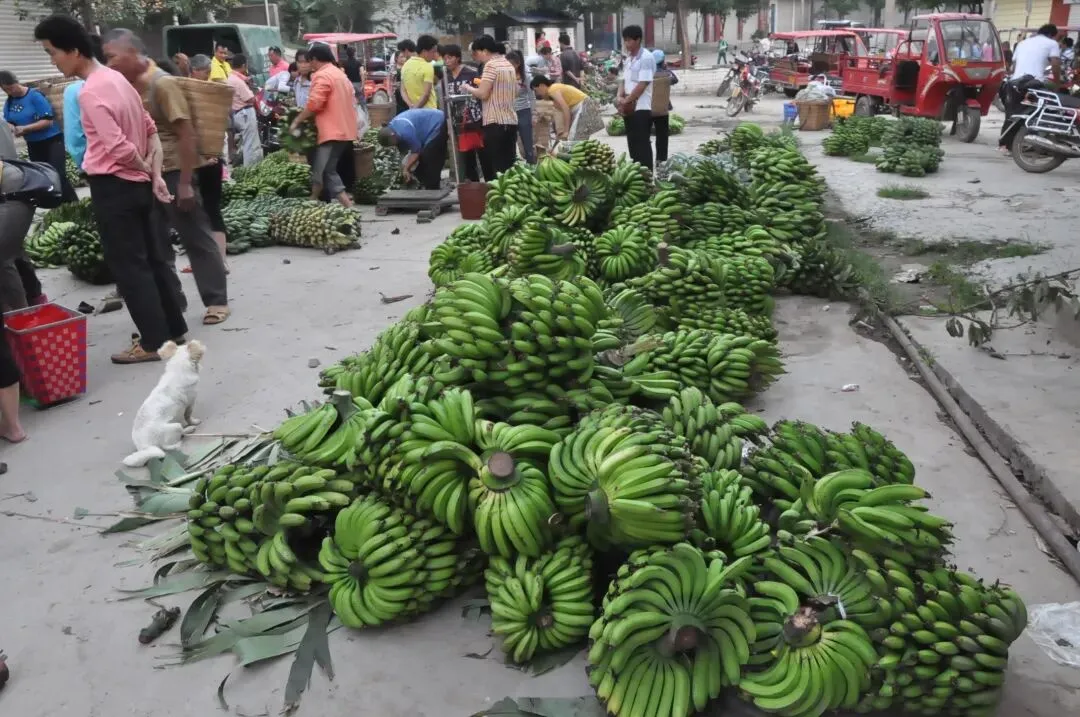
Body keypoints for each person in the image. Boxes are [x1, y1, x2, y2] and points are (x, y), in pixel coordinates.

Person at [35, 14, 187, 364]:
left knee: (130, 268)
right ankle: (173, 330)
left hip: (115, 189)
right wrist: (154, 174)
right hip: (138, 188)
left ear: (73, 51)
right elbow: (150, 129)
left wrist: (145, 169)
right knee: (151, 260)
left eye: (52, 52)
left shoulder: (91, 91)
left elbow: (119, 147)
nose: (52, 61)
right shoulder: (117, 78)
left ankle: (153, 342)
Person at [103, 29, 230, 327]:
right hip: (142, 172)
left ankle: (216, 300)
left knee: (195, 236)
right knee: (155, 242)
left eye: (111, 57)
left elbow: (186, 134)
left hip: (173, 170)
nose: (108, 64)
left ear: (132, 53)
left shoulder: (162, 84)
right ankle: (173, 301)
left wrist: (185, 183)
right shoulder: (124, 85)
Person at [290, 43, 357, 207]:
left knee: (326, 169)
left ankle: (348, 207)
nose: (309, 64)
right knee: (321, 168)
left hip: (331, 131)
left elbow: (315, 104)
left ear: (315, 59)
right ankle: (313, 199)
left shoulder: (322, 76)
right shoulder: (339, 74)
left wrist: (297, 120)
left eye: (309, 60)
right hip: (345, 129)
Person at [0, 70, 78, 203]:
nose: (9, 92)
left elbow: (48, 121)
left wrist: (25, 128)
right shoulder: (10, 102)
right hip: (33, 143)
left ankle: (72, 203)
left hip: (52, 140)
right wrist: (12, 127)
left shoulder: (35, 96)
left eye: (10, 88)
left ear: (16, 82)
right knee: (44, 176)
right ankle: (57, 205)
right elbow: (9, 121)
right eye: (5, 90)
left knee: (58, 174)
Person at [1000, 24, 1062, 152]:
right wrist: (1057, 83)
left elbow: (1013, 67)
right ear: (1052, 35)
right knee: (1037, 113)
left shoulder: (1022, 43)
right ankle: (1033, 143)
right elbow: (1055, 64)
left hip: (1015, 82)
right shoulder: (1052, 43)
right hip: (1034, 84)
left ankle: (1004, 145)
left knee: (1013, 114)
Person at [466, 35, 519, 177]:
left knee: (496, 167)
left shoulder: (490, 65)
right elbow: (515, 91)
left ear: (484, 51)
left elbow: (483, 94)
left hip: (495, 122)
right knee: (509, 165)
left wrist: (468, 88)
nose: (477, 57)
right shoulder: (508, 64)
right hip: (511, 121)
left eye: (476, 53)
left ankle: (498, 191)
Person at [442, 44, 489, 182]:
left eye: (450, 58)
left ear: (457, 58)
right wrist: (448, 122)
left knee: (483, 152)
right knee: (467, 155)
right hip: (459, 122)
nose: (447, 61)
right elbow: (445, 101)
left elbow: (482, 93)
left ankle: (489, 181)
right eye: (445, 58)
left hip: (476, 118)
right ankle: (473, 184)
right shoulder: (446, 78)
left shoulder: (471, 73)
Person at [63, 33, 105, 173]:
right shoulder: (120, 81)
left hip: (98, 167)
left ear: (76, 53)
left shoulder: (75, 90)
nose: (53, 61)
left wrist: (82, 165)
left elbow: (74, 136)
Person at [617, 25, 656, 170]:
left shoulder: (646, 57)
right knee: (632, 143)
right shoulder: (628, 59)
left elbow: (643, 84)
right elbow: (623, 80)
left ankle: (647, 174)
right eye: (625, 40)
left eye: (629, 40)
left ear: (638, 40)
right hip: (629, 107)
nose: (626, 44)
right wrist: (619, 96)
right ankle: (636, 174)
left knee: (642, 144)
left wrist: (627, 100)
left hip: (641, 107)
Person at [379, 108, 448, 189]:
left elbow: (416, 152)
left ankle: (432, 188)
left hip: (437, 122)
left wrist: (406, 169)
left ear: (392, 136)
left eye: (391, 144)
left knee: (430, 157)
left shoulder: (404, 130)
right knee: (422, 159)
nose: (393, 146)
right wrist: (405, 167)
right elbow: (405, 151)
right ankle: (422, 182)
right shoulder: (393, 128)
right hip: (426, 127)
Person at [227, 53, 262, 167]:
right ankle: (249, 169)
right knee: (250, 144)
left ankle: (248, 167)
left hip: (237, 113)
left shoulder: (230, 78)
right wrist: (255, 94)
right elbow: (250, 98)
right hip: (245, 113)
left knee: (247, 142)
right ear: (243, 65)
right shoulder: (238, 81)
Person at [531, 75, 586, 141]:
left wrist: (566, 131)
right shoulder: (552, 94)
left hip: (584, 105)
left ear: (541, 85)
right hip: (580, 106)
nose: (537, 94)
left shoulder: (552, 90)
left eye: (536, 91)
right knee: (575, 138)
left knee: (573, 137)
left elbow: (566, 109)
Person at [506, 50, 535, 163]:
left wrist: (533, 114)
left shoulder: (526, 77)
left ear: (517, 64)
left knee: (527, 142)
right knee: (510, 142)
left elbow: (532, 97)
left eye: (510, 65)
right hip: (509, 112)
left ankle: (531, 163)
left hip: (524, 111)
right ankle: (513, 164)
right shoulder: (505, 77)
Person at [651, 49, 678, 164]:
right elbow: (675, 80)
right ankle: (660, 160)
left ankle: (646, 160)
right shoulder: (667, 74)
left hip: (647, 110)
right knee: (662, 136)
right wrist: (666, 68)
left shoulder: (647, 73)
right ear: (663, 61)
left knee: (645, 137)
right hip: (662, 110)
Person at [402, 35, 439, 109]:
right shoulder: (427, 66)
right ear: (424, 51)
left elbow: (403, 90)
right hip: (429, 110)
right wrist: (416, 108)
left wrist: (411, 106)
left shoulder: (405, 65)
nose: (435, 55)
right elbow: (426, 94)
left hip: (413, 110)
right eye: (433, 52)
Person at [394, 39, 416, 115]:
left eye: (403, 55)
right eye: (401, 57)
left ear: (406, 50)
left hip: (409, 95)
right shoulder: (396, 68)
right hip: (402, 95)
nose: (403, 58)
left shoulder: (409, 65)